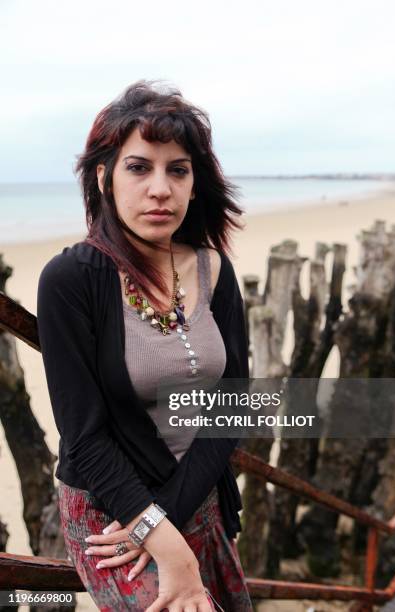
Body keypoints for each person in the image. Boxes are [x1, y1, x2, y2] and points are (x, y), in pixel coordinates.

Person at [37, 80, 253, 612]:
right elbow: (84, 438)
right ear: (105, 177)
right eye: (140, 167)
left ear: (194, 184)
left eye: (177, 170)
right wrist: (158, 536)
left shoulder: (215, 271)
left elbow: (234, 401)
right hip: (112, 512)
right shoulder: (71, 280)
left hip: (197, 497)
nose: (160, 188)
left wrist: (171, 523)